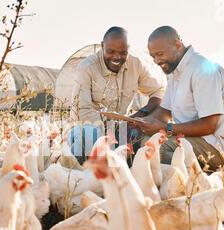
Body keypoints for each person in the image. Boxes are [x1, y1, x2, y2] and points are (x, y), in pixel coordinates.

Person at [130, 26, 224, 171]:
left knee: (159, 149)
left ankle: (178, 191)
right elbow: (165, 111)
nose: (157, 61)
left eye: (160, 54)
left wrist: (165, 128)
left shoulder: (202, 70)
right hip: (194, 139)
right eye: (153, 56)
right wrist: (142, 122)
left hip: (218, 146)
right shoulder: (175, 72)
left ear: (177, 45)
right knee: (142, 140)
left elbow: (209, 125)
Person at [69, 26, 166, 162]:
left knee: (145, 142)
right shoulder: (87, 68)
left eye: (122, 53)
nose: (116, 57)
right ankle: (77, 172)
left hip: (121, 129)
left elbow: (158, 91)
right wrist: (111, 131)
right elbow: (82, 112)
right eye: (111, 51)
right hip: (90, 127)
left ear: (128, 50)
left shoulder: (136, 64)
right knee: (91, 136)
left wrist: (142, 113)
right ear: (102, 46)